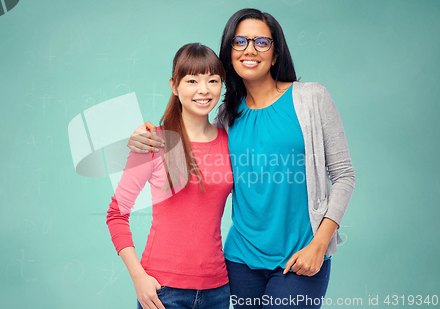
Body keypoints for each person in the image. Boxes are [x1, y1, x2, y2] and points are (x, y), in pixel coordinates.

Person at [126, 8, 355, 309]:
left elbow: (344, 175)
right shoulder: (225, 119)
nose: (250, 49)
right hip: (240, 262)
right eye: (240, 42)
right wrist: (144, 137)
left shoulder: (311, 98)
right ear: (229, 54)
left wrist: (320, 243)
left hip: (301, 256)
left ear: (275, 54)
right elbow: (191, 146)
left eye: (261, 42)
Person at [107, 43, 232, 309]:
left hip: (219, 290)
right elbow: (116, 214)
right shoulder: (154, 142)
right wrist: (139, 278)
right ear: (174, 86)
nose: (203, 89)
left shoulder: (230, 142)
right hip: (163, 291)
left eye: (213, 80)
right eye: (192, 80)